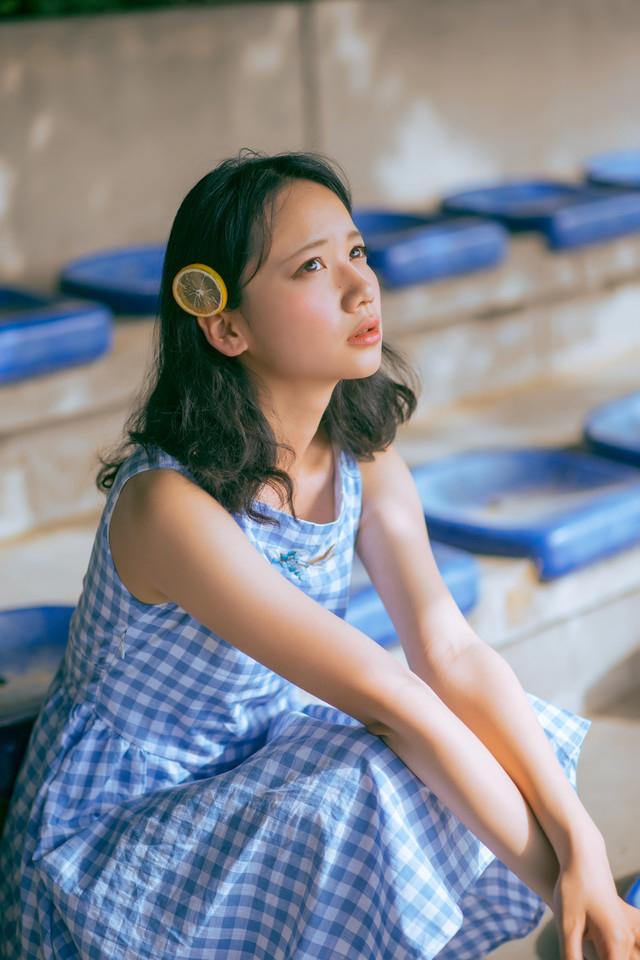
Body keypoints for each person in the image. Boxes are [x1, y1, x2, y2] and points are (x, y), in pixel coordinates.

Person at [1, 149, 638, 960]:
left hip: (255, 783)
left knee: (471, 733)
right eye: (311, 266)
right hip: (114, 854)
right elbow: (390, 696)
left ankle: (596, 923)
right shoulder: (169, 507)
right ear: (225, 325)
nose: (359, 286)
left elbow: (450, 652)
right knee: (381, 769)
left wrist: (584, 851)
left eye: (357, 252)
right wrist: (568, 888)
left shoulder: (361, 461)